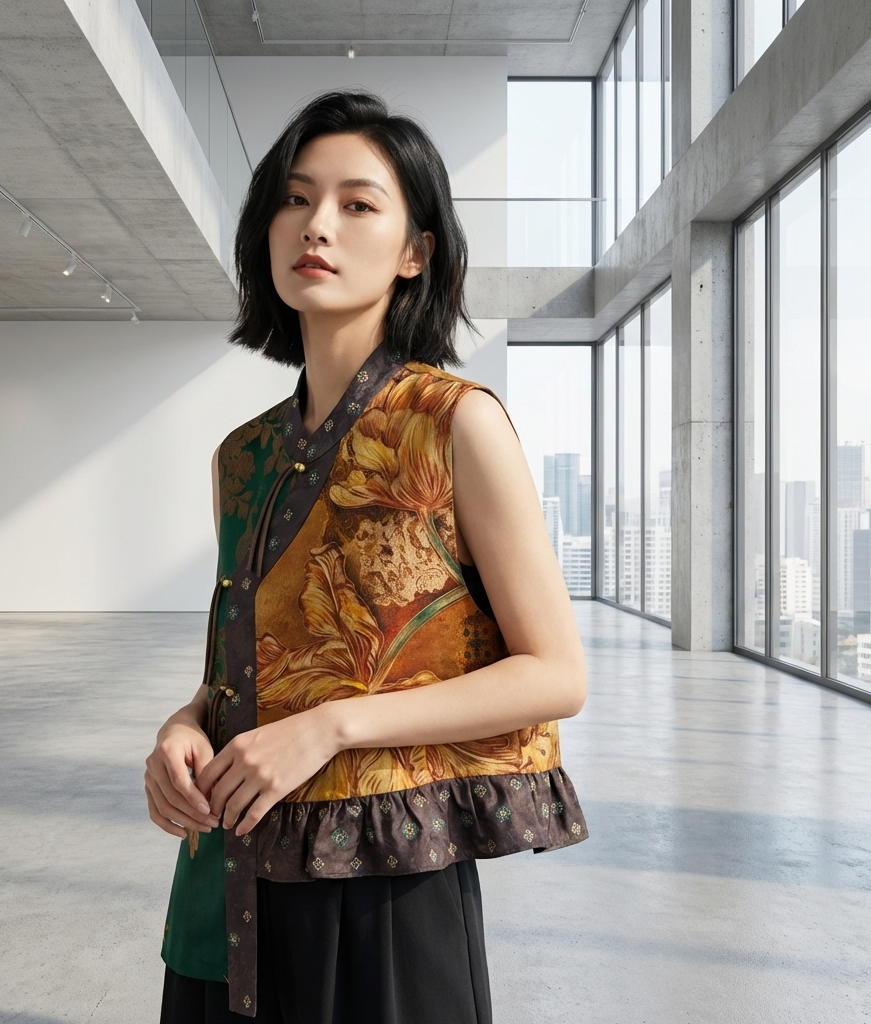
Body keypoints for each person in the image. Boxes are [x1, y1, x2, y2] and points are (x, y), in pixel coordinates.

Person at [144, 90, 589, 1024]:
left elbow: (554, 674)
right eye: (296, 200)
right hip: (226, 874)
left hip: (386, 878)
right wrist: (182, 728)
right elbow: (236, 671)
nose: (317, 226)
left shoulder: (454, 422)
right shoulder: (242, 454)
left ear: (416, 251)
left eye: (358, 204)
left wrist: (333, 726)